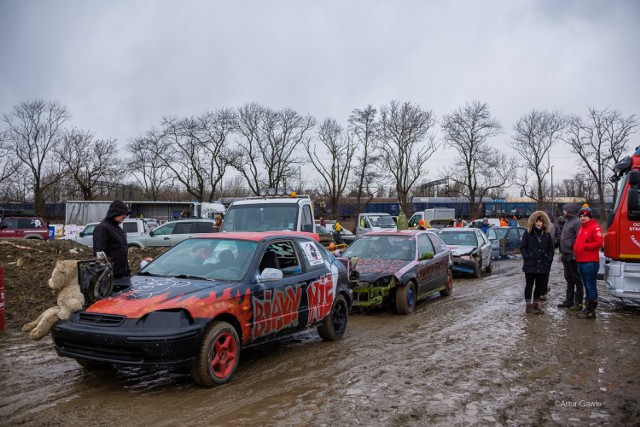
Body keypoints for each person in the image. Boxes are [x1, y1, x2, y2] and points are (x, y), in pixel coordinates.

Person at [520, 211, 554, 314]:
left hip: (542, 264)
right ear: (533, 222)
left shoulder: (547, 235)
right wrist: (527, 256)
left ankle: (535, 305)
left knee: (539, 286)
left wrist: (548, 259)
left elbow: (551, 250)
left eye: (540, 222)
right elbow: (523, 247)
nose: (539, 223)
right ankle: (528, 305)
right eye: (537, 221)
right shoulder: (528, 233)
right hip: (530, 263)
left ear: (543, 223)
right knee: (529, 285)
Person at [573, 204, 603, 319]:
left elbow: (599, 242)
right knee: (586, 285)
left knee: (591, 286)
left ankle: (591, 310)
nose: (582, 218)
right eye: (581, 216)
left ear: (590, 216)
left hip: (590, 262)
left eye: (585, 216)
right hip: (581, 260)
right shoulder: (582, 228)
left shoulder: (595, 228)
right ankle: (588, 308)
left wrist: (586, 246)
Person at [93, 200, 131, 279]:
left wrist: (127, 271)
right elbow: (99, 253)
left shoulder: (119, 229)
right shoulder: (102, 228)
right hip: (110, 277)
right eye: (123, 214)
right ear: (115, 212)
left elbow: (122, 251)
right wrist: (104, 275)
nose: (125, 217)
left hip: (122, 274)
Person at [557, 203, 584, 311]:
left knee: (577, 279)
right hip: (565, 254)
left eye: (565, 210)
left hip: (572, 255)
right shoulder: (568, 221)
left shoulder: (577, 222)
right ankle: (569, 300)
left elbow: (579, 239)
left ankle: (578, 302)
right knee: (568, 278)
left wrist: (574, 253)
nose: (563, 212)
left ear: (570, 211)